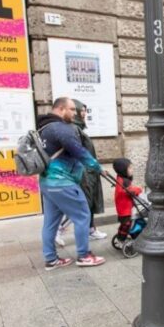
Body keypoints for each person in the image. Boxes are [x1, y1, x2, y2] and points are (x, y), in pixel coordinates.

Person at [37, 97, 106, 269]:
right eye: (72, 109)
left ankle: (51, 259)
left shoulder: (43, 128)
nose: (75, 113)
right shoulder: (61, 128)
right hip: (62, 182)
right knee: (83, 215)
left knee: (50, 222)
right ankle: (84, 256)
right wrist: (98, 167)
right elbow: (79, 151)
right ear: (61, 109)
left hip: (47, 182)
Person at [56, 99, 106, 246]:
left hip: (89, 171)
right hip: (83, 172)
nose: (84, 113)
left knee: (88, 202)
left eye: (85, 110)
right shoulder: (73, 129)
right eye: (81, 110)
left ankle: (91, 229)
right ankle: (59, 229)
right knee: (82, 203)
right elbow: (79, 152)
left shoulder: (78, 128)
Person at [112, 158, 144, 246]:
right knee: (126, 224)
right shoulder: (124, 181)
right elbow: (130, 191)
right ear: (123, 169)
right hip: (124, 208)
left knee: (124, 224)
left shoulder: (120, 178)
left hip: (122, 206)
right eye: (129, 168)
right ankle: (121, 240)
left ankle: (120, 237)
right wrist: (139, 189)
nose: (132, 169)